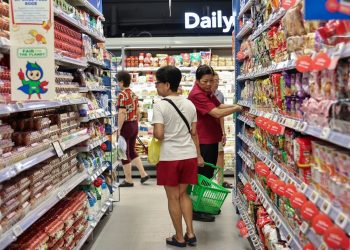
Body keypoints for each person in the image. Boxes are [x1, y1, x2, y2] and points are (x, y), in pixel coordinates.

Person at [152, 66, 204, 247]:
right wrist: (199, 156)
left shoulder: (160, 105)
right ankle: (191, 233)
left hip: (169, 157)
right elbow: (194, 132)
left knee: (173, 198)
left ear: (167, 84)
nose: (156, 86)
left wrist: (156, 133)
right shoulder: (190, 104)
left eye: (157, 83)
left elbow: (158, 134)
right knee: (184, 195)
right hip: (188, 155)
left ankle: (179, 237)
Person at [188, 65, 242, 222]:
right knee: (202, 176)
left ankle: (200, 205)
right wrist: (236, 109)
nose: (209, 84)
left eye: (211, 81)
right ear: (197, 80)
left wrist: (235, 106)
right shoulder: (197, 94)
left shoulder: (206, 92)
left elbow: (218, 105)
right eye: (205, 81)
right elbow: (216, 112)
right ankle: (195, 210)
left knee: (207, 175)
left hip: (211, 139)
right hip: (204, 140)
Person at [117, 71, 149, 187]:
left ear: (121, 82)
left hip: (126, 126)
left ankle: (128, 179)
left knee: (123, 152)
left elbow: (122, 112)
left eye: (118, 82)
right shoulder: (134, 94)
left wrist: (119, 129)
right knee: (131, 150)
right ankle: (143, 173)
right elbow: (138, 111)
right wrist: (136, 122)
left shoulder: (122, 95)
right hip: (134, 124)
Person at [212, 72, 233, 189]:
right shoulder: (206, 95)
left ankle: (220, 181)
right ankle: (208, 181)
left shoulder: (220, 95)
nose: (216, 83)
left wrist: (223, 132)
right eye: (214, 80)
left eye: (218, 80)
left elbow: (221, 115)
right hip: (206, 132)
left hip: (217, 130)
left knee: (220, 154)